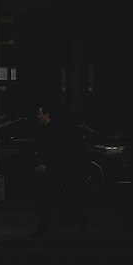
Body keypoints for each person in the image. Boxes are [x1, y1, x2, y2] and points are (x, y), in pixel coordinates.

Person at [31, 102, 88, 237]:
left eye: (39, 113)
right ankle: (44, 229)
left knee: (49, 201)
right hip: (50, 172)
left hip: (55, 172)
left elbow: (59, 152)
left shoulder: (54, 131)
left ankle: (79, 220)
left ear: (47, 115)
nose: (37, 116)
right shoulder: (45, 130)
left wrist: (46, 165)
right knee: (45, 202)